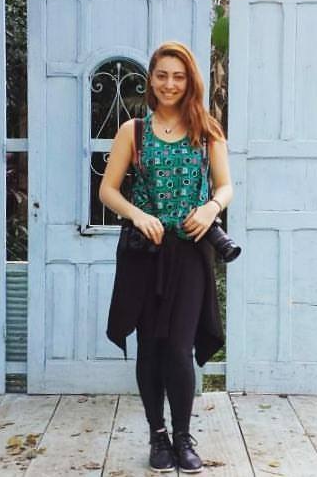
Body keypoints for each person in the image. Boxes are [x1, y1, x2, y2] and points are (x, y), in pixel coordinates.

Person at [100, 41, 232, 473]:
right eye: (162, 76)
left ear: (189, 80)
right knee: (149, 348)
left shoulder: (207, 130)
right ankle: (157, 436)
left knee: (178, 347)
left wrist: (212, 208)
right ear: (151, 80)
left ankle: (183, 437)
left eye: (178, 76)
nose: (170, 84)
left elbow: (226, 186)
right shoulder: (133, 131)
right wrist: (138, 215)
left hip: (191, 251)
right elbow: (108, 190)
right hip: (144, 252)